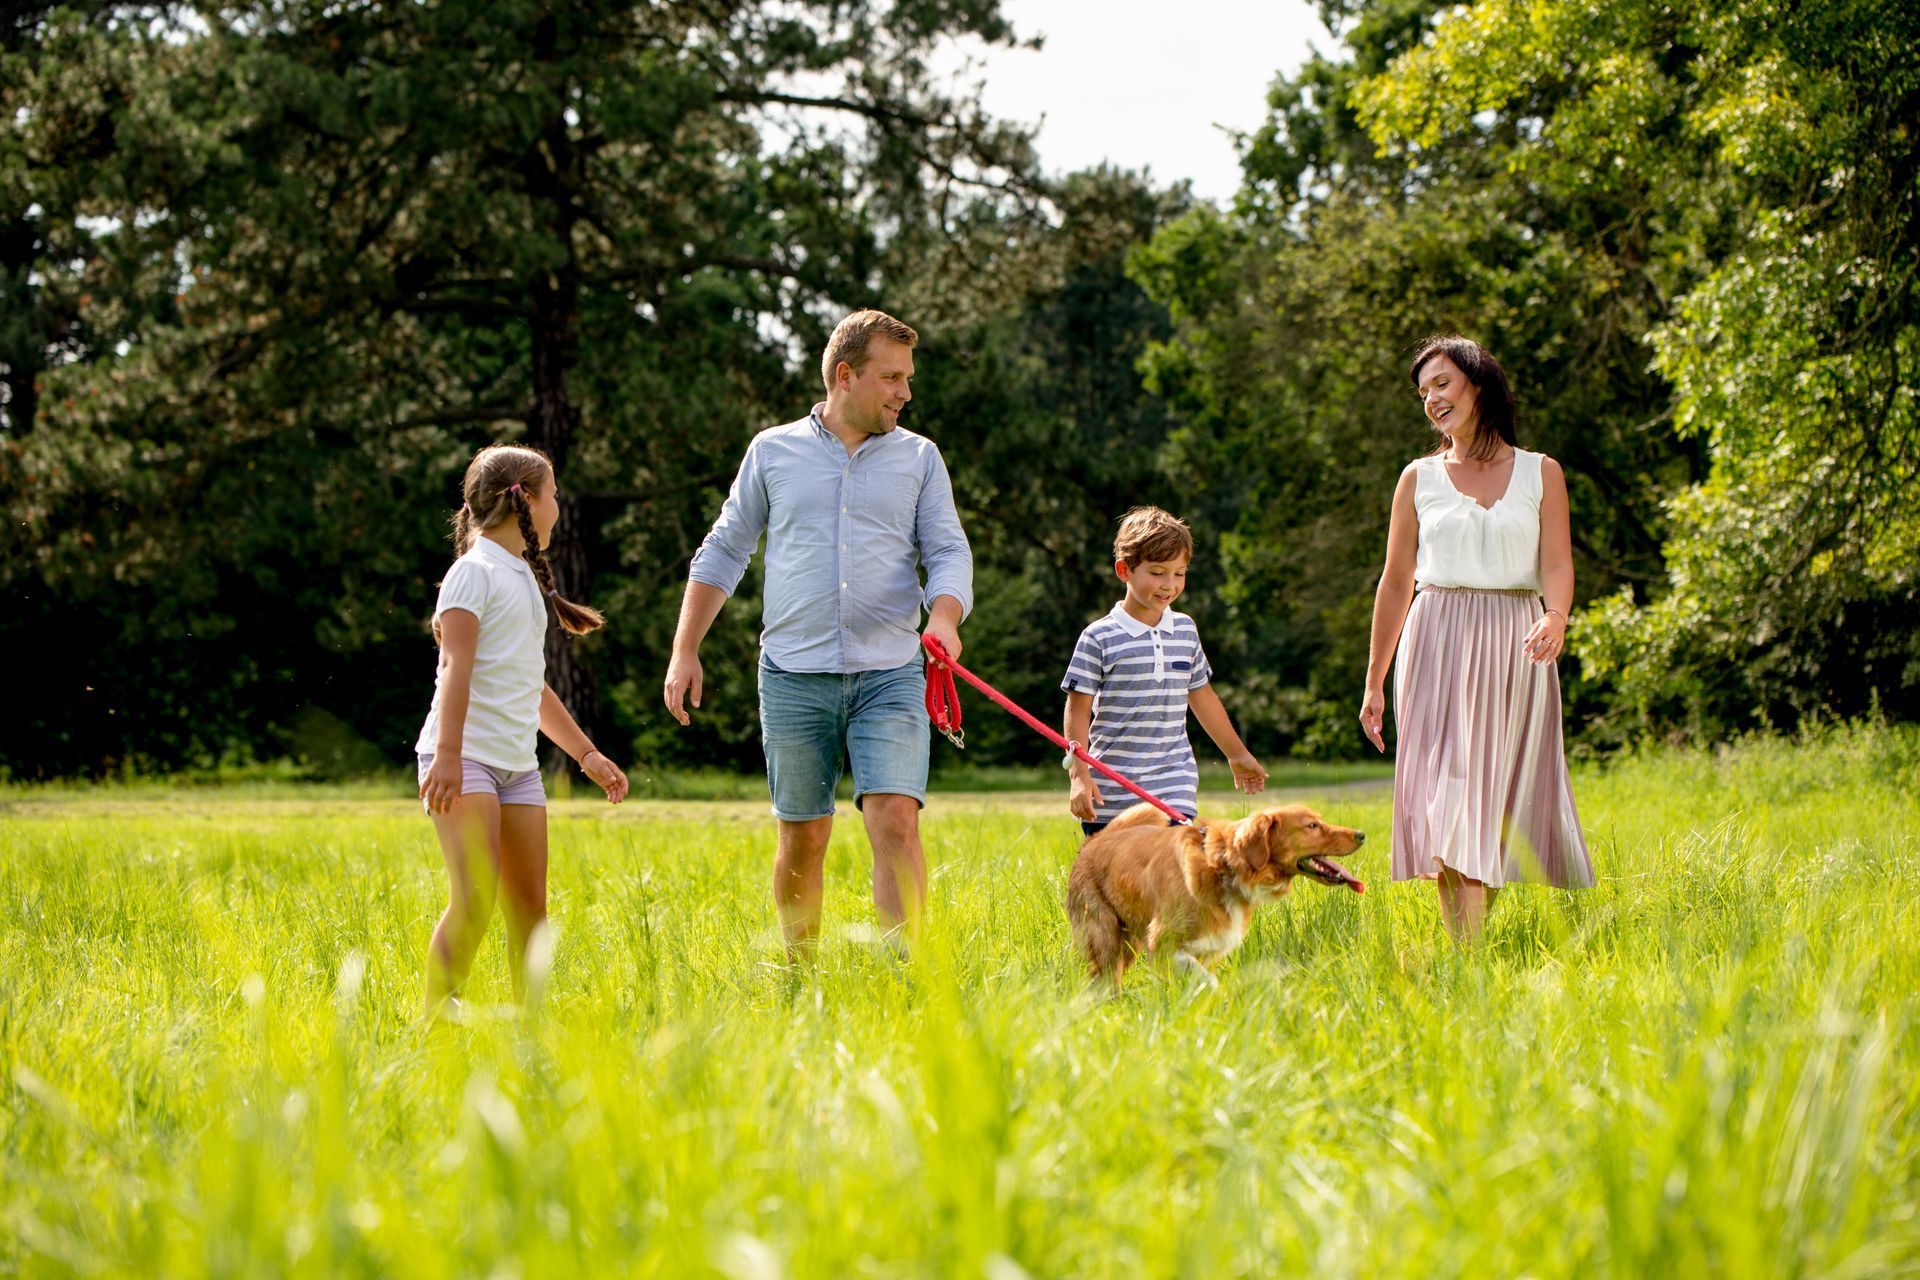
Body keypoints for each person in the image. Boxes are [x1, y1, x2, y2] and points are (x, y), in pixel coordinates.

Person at [663, 309, 972, 957]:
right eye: (891, 378)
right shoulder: (773, 451)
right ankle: (799, 977)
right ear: (844, 375)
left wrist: (944, 615)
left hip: (890, 673)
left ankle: (908, 976)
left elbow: (947, 551)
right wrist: (685, 649)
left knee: (895, 821)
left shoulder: (920, 458)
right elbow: (724, 551)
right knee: (803, 834)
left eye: (907, 379)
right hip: (792, 675)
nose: (904, 393)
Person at [1358, 336, 1594, 942]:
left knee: (1489, 805)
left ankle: (1473, 950)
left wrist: (1558, 615)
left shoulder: (1542, 472)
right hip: (1435, 639)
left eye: (1442, 384)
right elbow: (1394, 583)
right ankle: (1468, 960)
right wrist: (1374, 680)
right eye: (1423, 392)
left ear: (1479, 385)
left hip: (1518, 643)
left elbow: (1558, 563)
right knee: (1449, 801)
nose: (1432, 399)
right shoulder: (1418, 479)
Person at [415, 444, 630, 1018]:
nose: (559, 505)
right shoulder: (472, 573)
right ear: (525, 501)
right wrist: (449, 756)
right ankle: (436, 1018)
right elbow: (455, 670)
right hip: (465, 761)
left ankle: (528, 1029)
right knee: (477, 896)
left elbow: (533, 689)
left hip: (517, 768)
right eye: (553, 493)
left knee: (530, 909)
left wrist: (586, 755)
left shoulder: (525, 580)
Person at [1062, 506, 1267, 836]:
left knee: (1170, 878)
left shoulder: (1185, 630)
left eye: (1179, 573)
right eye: (1157, 572)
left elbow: (1203, 697)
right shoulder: (1099, 637)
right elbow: (1078, 708)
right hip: (1110, 793)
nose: (1169, 585)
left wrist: (1237, 753)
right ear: (1124, 570)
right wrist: (1079, 775)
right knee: (1111, 886)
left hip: (1173, 787)